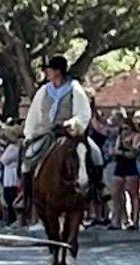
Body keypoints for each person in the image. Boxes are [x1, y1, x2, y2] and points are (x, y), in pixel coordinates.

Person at [19, 56, 92, 221]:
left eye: (49, 69)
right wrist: (29, 135)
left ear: (58, 71)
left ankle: (98, 190)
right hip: (46, 134)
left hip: (69, 134)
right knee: (26, 162)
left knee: (95, 154)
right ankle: (26, 197)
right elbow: (34, 115)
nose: (47, 72)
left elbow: (83, 114)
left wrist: (72, 123)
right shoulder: (43, 91)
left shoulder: (75, 89)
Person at [110, 118, 140, 230]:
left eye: (126, 128)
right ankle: (117, 220)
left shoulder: (136, 137)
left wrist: (125, 148)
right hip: (120, 165)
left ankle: (135, 220)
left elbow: (134, 153)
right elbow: (115, 151)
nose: (124, 131)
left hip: (131, 167)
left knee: (133, 193)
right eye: (122, 129)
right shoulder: (120, 137)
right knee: (116, 193)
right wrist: (121, 151)